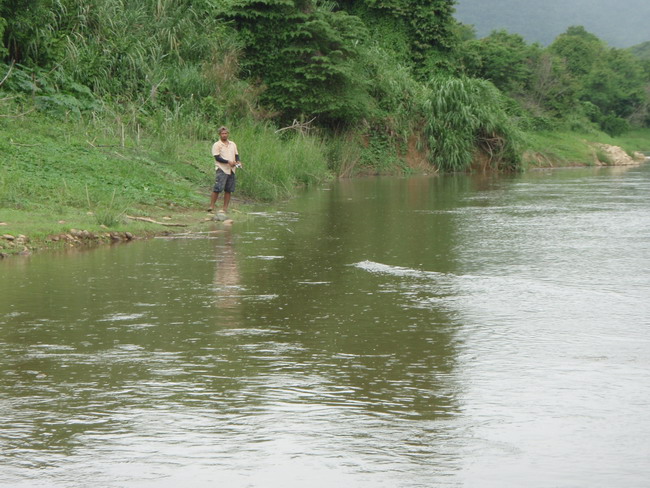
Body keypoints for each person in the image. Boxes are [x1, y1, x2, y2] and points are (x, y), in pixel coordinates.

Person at [208, 126, 243, 214]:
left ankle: (225, 208)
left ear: (228, 134)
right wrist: (228, 162)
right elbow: (217, 157)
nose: (224, 135)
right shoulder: (217, 144)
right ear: (219, 134)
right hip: (222, 169)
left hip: (232, 169)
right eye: (222, 134)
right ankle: (211, 206)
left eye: (225, 133)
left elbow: (236, 154)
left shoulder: (233, 144)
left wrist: (238, 161)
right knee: (218, 188)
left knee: (228, 189)